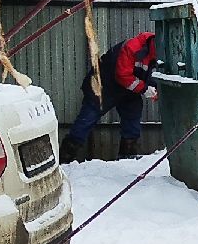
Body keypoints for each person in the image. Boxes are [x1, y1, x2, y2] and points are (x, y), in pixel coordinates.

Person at [64, 30, 155, 160]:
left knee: (132, 123)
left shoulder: (160, 52)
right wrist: (145, 89)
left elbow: (154, 78)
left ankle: (127, 158)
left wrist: (153, 90)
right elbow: (122, 75)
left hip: (129, 90)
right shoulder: (133, 47)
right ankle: (65, 159)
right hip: (103, 85)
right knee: (86, 120)